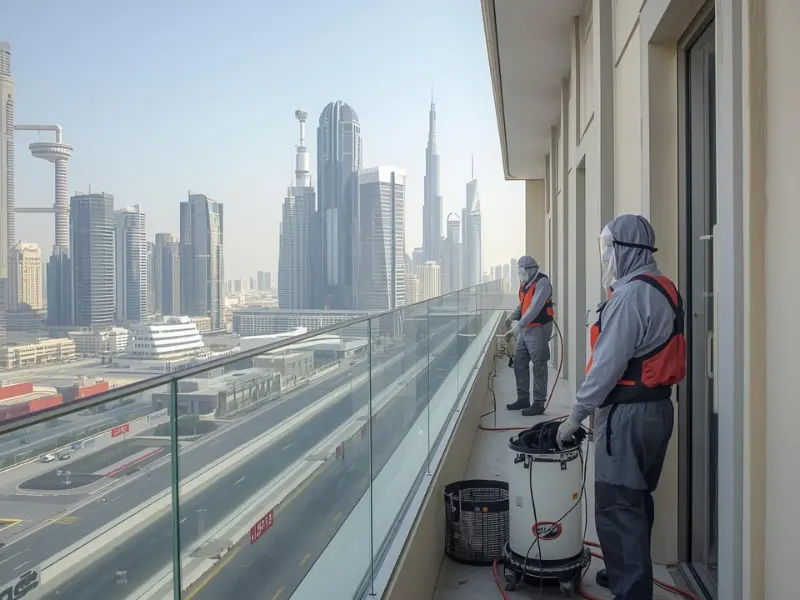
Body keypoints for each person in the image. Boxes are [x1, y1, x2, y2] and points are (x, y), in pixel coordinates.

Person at [556, 214, 686, 600]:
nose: (605, 258)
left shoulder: (629, 296)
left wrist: (576, 414)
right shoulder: (664, 288)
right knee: (636, 498)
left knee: (617, 504)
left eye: (608, 249)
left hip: (627, 416)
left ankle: (631, 590)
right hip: (656, 410)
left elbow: (606, 366)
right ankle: (622, 573)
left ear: (627, 250)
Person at [504, 256, 554, 416]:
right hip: (526, 329)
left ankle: (538, 403)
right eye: (519, 272)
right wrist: (512, 316)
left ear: (532, 269)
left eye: (522, 271)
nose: (521, 275)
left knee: (539, 365)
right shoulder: (526, 284)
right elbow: (524, 304)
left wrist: (517, 327)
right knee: (519, 362)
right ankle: (523, 398)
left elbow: (534, 308)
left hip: (538, 329)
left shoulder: (542, 283)